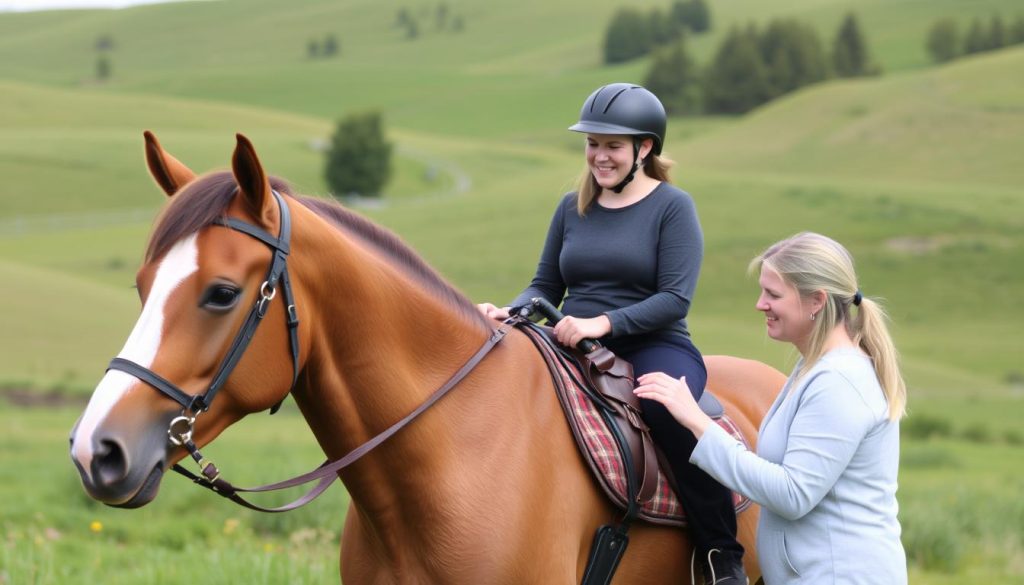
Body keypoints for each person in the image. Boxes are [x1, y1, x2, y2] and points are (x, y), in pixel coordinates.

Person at [477, 82, 747, 584]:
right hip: (572, 344)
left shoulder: (673, 207)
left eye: (612, 146)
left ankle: (719, 555)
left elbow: (674, 299)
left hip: (654, 345)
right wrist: (505, 312)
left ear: (645, 148)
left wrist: (604, 323)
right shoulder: (570, 207)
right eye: (593, 144)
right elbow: (544, 285)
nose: (599, 156)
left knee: (666, 412)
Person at [634, 232, 909, 584]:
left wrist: (698, 424)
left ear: (816, 301)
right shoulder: (813, 368)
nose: (760, 304)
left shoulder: (839, 381)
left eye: (774, 294)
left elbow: (793, 494)